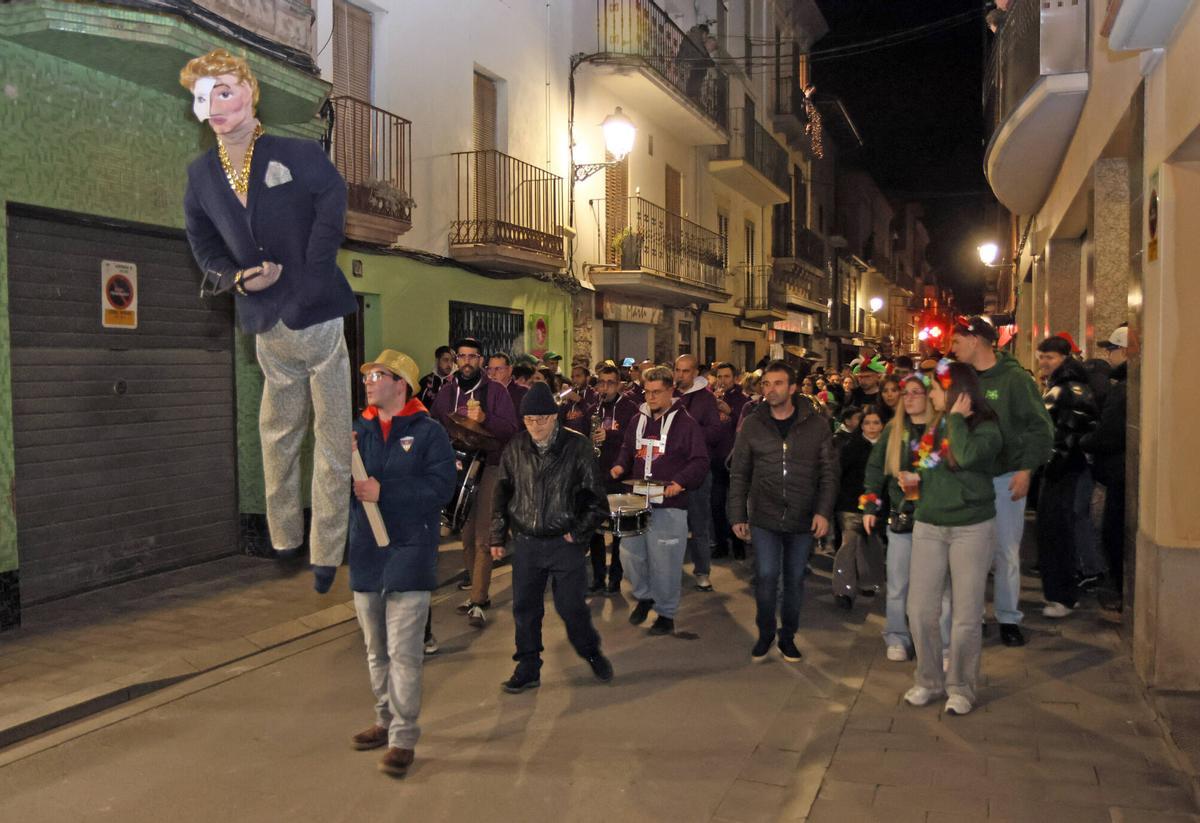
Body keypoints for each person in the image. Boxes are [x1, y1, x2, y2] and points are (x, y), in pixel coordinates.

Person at [181, 49, 357, 580]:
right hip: (262, 317)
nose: (215, 105)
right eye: (204, 96)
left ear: (250, 93)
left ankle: (328, 550)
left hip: (318, 312)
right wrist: (239, 278)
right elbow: (202, 242)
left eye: (225, 91)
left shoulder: (295, 153)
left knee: (330, 437)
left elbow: (333, 198)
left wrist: (312, 272)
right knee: (275, 433)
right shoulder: (201, 175)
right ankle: (284, 537)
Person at [343, 350, 456, 777]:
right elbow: (341, 481)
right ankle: (384, 719)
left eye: (378, 374)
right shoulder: (358, 429)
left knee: (404, 651)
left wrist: (384, 491)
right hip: (368, 552)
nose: (369, 380)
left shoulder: (428, 434)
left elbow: (441, 487)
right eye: (368, 374)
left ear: (401, 384)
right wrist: (339, 456)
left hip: (410, 551)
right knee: (376, 649)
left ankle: (403, 737)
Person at [489, 382, 613, 693]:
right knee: (525, 609)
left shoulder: (577, 447)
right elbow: (502, 493)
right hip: (528, 542)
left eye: (542, 419)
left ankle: (590, 651)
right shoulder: (515, 448)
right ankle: (528, 665)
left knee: (571, 607)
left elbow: (597, 501)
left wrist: (578, 533)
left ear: (555, 417)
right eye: (529, 420)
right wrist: (497, 536)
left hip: (564, 542)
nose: (535, 426)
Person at [897, 360, 1002, 716]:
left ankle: (961, 686)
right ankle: (928, 680)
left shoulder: (985, 427)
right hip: (929, 524)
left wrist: (955, 420)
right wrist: (912, 483)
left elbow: (969, 456)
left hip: (971, 527)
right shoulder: (936, 424)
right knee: (920, 609)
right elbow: (927, 464)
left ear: (957, 392)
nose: (931, 394)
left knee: (966, 614)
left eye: (937, 388)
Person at [950, 315, 1053, 647]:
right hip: (967, 480)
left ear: (976, 340)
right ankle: (974, 615)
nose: (952, 349)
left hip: (1005, 478)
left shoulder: (1014, 380)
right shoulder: (957, 379)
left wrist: (1026, 470)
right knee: (970, 553)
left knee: (1006, 552)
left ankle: (1009, 618)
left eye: (957, 342)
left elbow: (1041, 428)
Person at [728, 360, 838, 662]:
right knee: (765, 576)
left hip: (803, 517)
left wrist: (823, 512)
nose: (770, 389)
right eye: (766, 384)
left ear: (792, 388)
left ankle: (787, 636)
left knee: (793, 580)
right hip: (764, 515)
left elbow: (828, 473)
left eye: (777, 383)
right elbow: (740, 472)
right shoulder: (753, 424)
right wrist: (737, 514)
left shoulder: (816, 425)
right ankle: (765, 632)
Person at [611, 366, 709, 636]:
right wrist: (620, 466)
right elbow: (627, 449)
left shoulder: (686, 423)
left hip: (670, 503)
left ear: (670, 391)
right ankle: (645, 596)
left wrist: (680, 481)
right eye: (647, 392)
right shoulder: (637, 420)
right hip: (637, 498)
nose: (650, 397)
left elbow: (700, 461)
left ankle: (666, 613)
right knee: (628, 554)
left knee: (665, 561)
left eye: (656, 392)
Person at [431, 337, 519, 629]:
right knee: (466, 537)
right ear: (456, 360)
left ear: (481, 360)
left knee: (483, 537)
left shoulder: (496, 392)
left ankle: (479, 601)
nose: (467, 362)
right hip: (459, 470)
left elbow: (511, 429)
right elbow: (433, 425)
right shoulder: (446, 392)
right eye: (462, 357)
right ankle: (477, 593)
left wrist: (486, 419)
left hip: (490, 467)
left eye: (473, 357)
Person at [862, 373, 941, 661]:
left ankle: (937, 640)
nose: (908, 397)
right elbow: (874, 470)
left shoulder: (943, 430)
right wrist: (870, 506)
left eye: (915, 392)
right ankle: (896, 635)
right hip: (902, 519)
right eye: (905, 393)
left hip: (936, 519)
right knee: (897, 583)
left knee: (938, 585)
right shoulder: (894, 430)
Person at [1035, 335, 1099, 618]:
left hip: (1064, 471)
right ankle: (1060, 594)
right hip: (1061, 469)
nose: (1044, 362)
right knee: (1054, 531)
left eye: (1050, 357)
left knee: (1057, 531)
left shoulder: (1068, 389)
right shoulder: (1061, 386)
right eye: (1041, 356)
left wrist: (1051, 462)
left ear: (1064, 358)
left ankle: (1062, 596)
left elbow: (1065, 435)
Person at [1081, 325, 1129, 610]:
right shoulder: (1123, 386)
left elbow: (1110, 433)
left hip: (1118, 472)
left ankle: (1120, 593)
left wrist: (1085, 441)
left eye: (1111, 349)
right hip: (1118, 471)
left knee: (1114, 533)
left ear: (1125, 351)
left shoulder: (1122, 390)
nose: (1107, 355)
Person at [589, 364, 639, 594]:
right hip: (596, 475)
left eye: (610, 383)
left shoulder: (630, 408)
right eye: (601, 382)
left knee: (618, 531)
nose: (605, 387)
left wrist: (610, 434)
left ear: (619, 384)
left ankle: (615, 579)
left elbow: (633, 438)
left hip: (619, 475)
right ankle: (598, 577)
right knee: (595, 529)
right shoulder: (593, 408)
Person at [673, 355, 720, 591]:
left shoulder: (706, 399)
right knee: (671, 525)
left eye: (685, 371)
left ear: (694, 373)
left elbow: (714, 432)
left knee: (699, 525)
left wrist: (689, 432)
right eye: (677, 370)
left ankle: (702, 571)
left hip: (697, 472)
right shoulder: (668, 396)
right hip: (671, 471)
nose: (680, 375)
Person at [832, 406, 885, 609]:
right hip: (851, 503)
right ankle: (844, 590)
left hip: (877, 506)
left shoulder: (889, 447)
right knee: (849, 545)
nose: (871, 427)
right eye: (867, 423)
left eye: (876, 422)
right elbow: (839, 473)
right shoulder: (851, 446)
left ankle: (868, 582)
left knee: (871, 545)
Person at [711, 362, 750, 560]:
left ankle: (739, 543)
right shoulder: (712, 397)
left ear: (735, 378)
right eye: (719, 376)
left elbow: (745, 428)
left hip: (735, 459)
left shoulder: (743, 401)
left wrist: (730, 412)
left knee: (736, 505)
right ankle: (721, 543)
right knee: (716, 504)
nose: (722, 380)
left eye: (726, 376)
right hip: (716, 459)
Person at [561, 364, 598, 435]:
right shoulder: (569, 395)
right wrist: (562, 404)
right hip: (569, 439)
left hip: (584, 439)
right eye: (572, 377)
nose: (574, 380)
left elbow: (593, 417)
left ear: (587, 378)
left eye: (578, 376)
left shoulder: (594, 395)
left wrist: (580, 400)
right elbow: (561, 420)